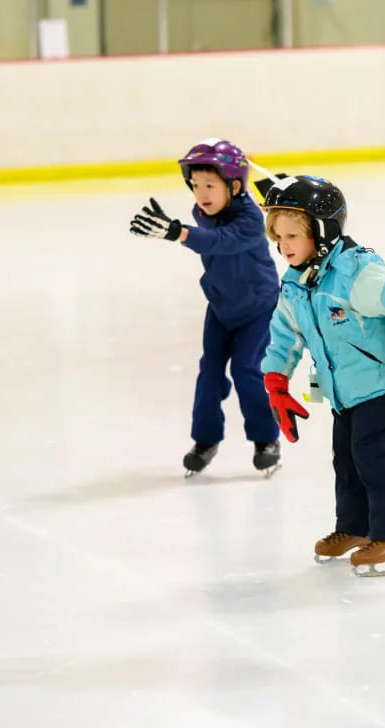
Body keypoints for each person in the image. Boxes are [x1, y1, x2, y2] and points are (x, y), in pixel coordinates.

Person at [258, 176, 385, 576]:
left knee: (376, 461)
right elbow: (284, 336)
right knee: (346, 461)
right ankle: (356, 528)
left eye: (292, 235)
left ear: (322, 233)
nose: (283, 245)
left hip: (381, 384)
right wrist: (275, 381)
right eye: (278, 236)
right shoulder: (296, 283)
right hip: (343, 392)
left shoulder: (356, 274)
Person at [129, 138, 281, 477]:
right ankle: (205, 440)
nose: (202, 194)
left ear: (235, 185)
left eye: (210, 185)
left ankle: (266, 439)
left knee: (246, 371)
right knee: (209, 373)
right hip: (221, 307)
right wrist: (181, 232)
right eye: (195, 185)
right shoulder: (202, 212)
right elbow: (206, 240)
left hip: (258, 307)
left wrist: (179, 233)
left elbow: (221, 242)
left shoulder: (251, 219)